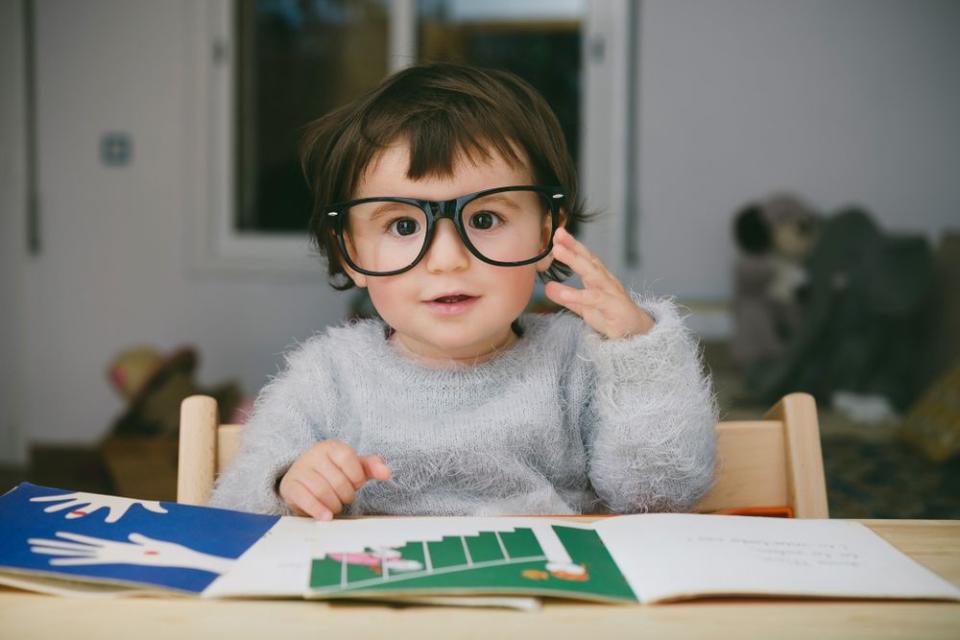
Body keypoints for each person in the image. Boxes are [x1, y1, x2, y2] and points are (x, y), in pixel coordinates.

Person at [209, 63, 717, 519]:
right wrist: (286, 483)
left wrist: (638, 353)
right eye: (404, 226)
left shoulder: (578, 364)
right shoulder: (326, 377)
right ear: (350, 254)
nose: (448, 259)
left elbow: (661, 496)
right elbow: (234, 506)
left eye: (485, 218)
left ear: (547, 234)